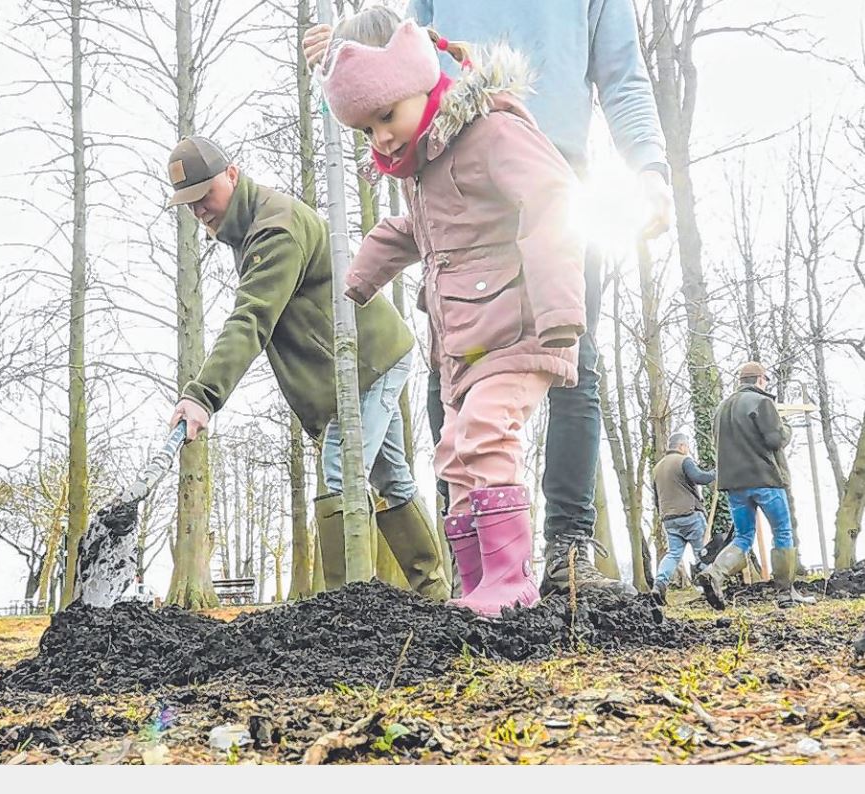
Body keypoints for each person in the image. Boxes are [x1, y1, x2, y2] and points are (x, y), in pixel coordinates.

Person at [304, 0, 674, 600]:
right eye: (366, 130)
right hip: (445, 168)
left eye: (377, 124)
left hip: (549, 173)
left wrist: (649, 169)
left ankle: (559, 554)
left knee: (567, 363)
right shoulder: (409, 145)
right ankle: (475, 566)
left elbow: (624, 75)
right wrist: (348, 51)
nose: (374, 139)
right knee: (453, 409)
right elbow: (407, 40)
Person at [319, 10, 586, 616]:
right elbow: (412, 231)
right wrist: (358, 280)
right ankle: (477, 583)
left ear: (421, 82)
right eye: (365, 129)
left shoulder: (491, 132)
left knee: (487, 432)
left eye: (386, 116)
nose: (380, 137)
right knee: (454, 451)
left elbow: (552, 200)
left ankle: (511, 584)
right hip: (463, 347)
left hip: (519, 328)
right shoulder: (421, 169)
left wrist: (560, 309)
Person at [163, 136, 450, 600]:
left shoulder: (275, 229)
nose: (200, 210)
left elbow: (251, 318)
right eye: (189, 203)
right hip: (373, 355)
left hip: (366, 361)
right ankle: (436, 596)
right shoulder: (251, 229)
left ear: (232, 174)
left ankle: (340, 609)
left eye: (204, 195)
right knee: (391, 477)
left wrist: (202, 395)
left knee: (341, 471)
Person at [696, 361, 814, 609]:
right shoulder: (762, 402)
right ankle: (785, 593)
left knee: (743, 537)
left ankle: (714, 574)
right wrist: (787, 429)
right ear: (760, 379)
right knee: (782, 532)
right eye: (766, 379)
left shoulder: (721, 408)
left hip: (734, 485)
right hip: (765, 480)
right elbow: (775, 438)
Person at [650, 432, 715, 605]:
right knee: (701, 553)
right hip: (690, 514)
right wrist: (716, 472)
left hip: (669, 519)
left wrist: (664, 514)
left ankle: (659, 584)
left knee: (673, 554)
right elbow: (700, 478)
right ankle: (708, 590)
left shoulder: (657, 468)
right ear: (681, 446)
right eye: (687, 447)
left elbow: (656, 498)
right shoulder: (683, 461)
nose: (687, 450)